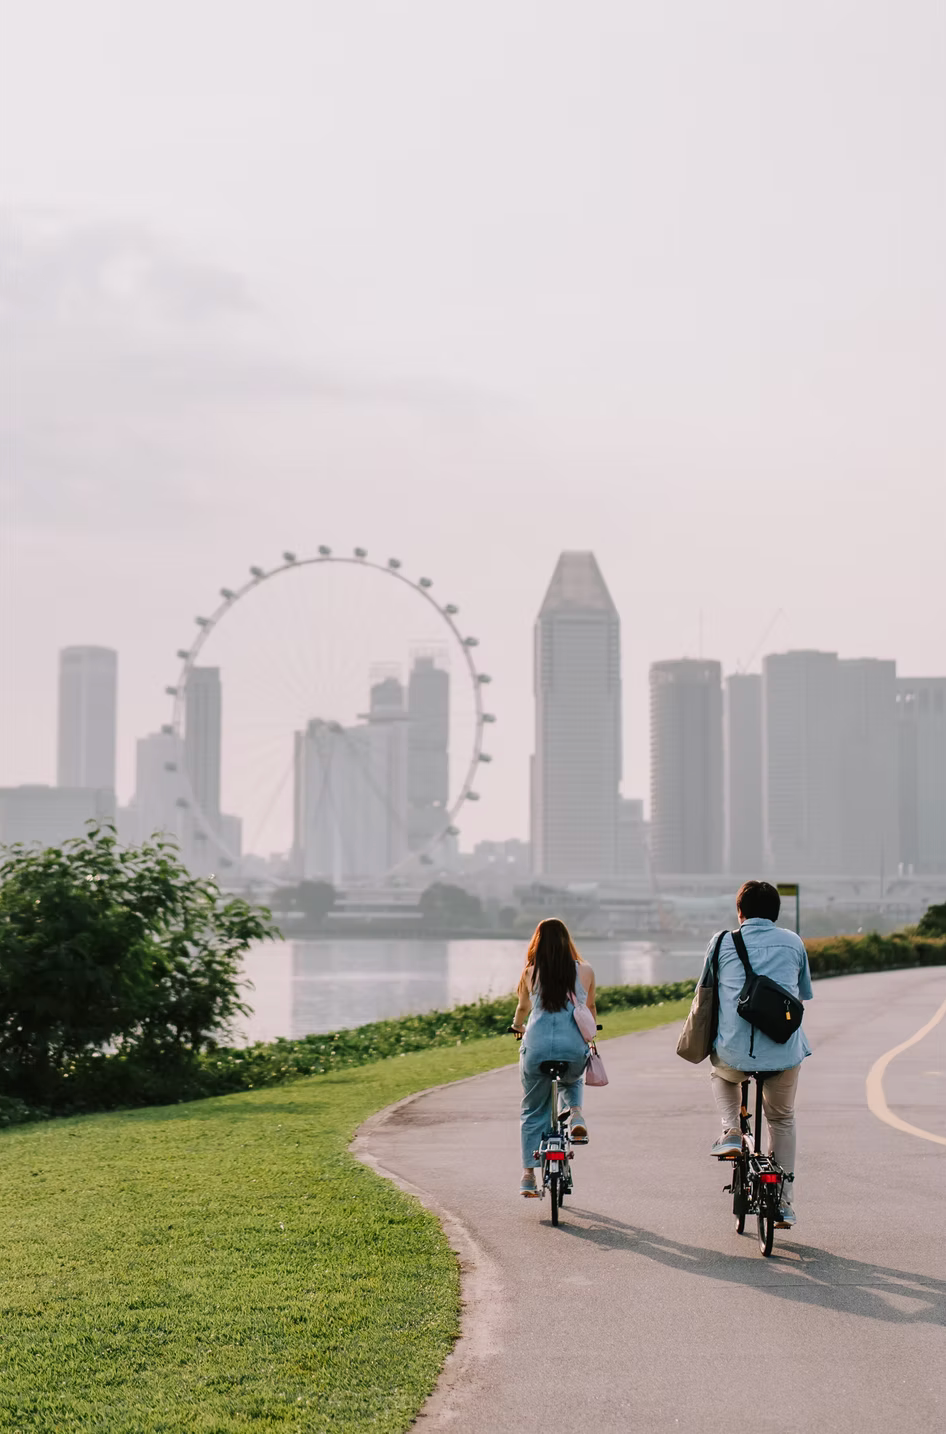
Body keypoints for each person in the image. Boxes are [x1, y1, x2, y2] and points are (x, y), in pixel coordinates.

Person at [704, 879, 813, 1226]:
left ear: (740, 912)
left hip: (734, 1049)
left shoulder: (722, 942)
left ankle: (731, 1130)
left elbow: (705, 993)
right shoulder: (793, 942)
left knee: (721, 1073)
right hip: (783, 1050)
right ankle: (783, 1202)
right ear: (776, 914)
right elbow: (803, 994)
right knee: (781, 1118)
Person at [511, 917, 596, 1198]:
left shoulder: (530, 972)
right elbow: (591, 1008)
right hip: (572, 1047)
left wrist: (517, 1027)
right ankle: (576, 1115)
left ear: (538, 943)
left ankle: (527, 1176)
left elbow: (523, 1008)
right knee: (572, 1078)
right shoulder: (585, 971)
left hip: (535, 1048)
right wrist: (590, 1036)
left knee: (532, 1110)